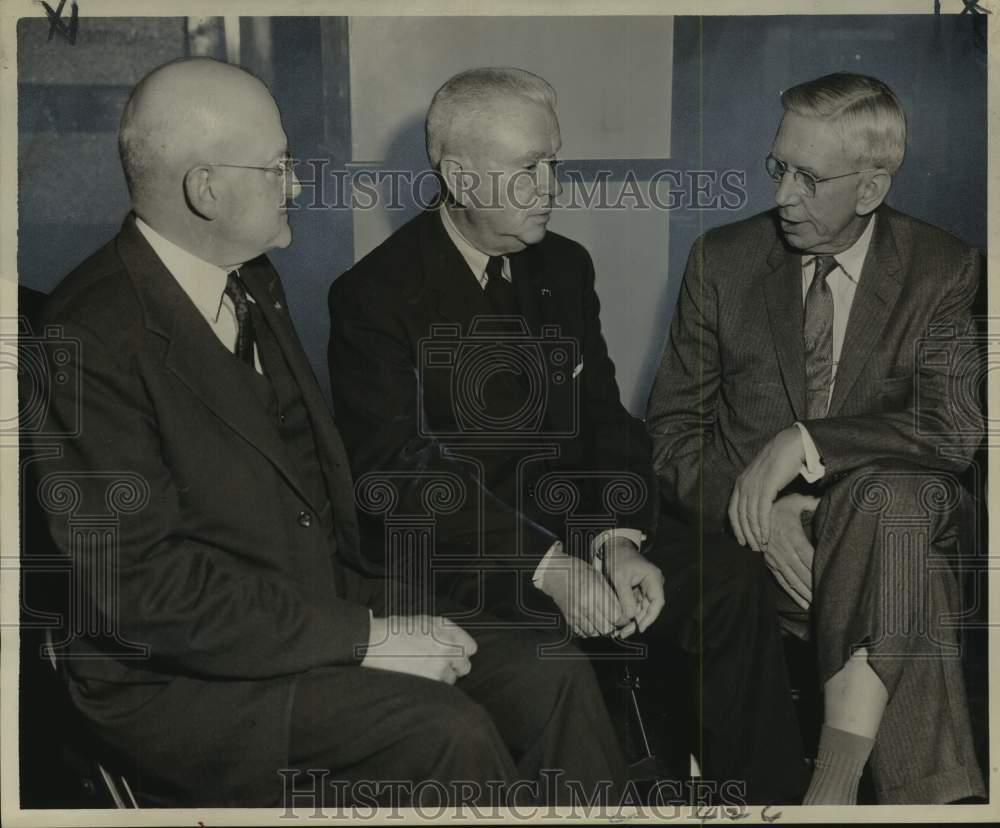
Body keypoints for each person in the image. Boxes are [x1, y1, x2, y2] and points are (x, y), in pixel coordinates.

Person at [29, 57, 628, 808]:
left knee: (550, 671)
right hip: (172, 681)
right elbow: (147, 594)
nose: (300, 185)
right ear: (205, 188)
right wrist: (369, 639)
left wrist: (394, 612)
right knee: (446, 730)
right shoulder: (85, 337)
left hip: (304, 608)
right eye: (278, 166)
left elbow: (319, 492)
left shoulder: (250, 279)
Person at [328, 67, 808, 804]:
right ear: (459, 177)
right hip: (470, 558)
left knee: (728, 585)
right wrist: (551, 568)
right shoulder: (374, 296)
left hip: (577, 527)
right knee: (556, 663)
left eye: (555, 162)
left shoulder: (564, 265)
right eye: (529, 168)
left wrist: (616, 538)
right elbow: (404, 477)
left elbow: (605, 421)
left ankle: (766, 804)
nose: (553, 185)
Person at [646, 72, 985, 805]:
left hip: (893, 529)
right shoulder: (723, 262)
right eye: (779, 168)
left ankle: (825, 793)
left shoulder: (944, 269)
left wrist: (802, 441)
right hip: (778, 568)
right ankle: (902, 803)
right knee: (905, 562)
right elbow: (672, 435)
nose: (781, 197)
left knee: (887, 497)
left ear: (870, 188)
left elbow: (954, 430)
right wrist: (758, 513)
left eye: (808, 177)